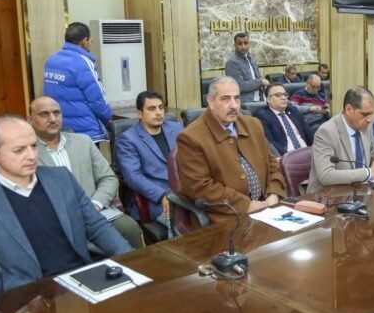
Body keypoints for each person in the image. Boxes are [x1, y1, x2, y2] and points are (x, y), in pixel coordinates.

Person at [0, 115, 131, 297]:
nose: (31, 156)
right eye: (19, 150)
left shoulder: (61, 178)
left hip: (83, 282)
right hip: (25, 296)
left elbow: (97, 226)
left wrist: (130, 259)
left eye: (33, 146)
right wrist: (26, 288)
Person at [29, 96, 143, 249]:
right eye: (44, 114)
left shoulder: (83, 142)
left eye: (56, 113)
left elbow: (108, 178)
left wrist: (95, 204)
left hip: (95, 213)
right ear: (30, 120)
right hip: (56, 220)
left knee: (129, 228)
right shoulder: (28, 153)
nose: (52, 119)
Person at [176, 76, 287, 221]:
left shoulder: (253, 124)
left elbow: (272, 165)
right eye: (226, 99)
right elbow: (200, 187)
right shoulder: (190, 137)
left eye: (237, 98)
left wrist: (274, 194)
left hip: (268, 207)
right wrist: (246, 205)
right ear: (210, 101)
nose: (234, 105)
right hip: (227, 216)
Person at [116, 91, 184, 237]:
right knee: (183, 225)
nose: (159, 112)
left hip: (186, 193)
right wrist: (162, 195)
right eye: (152, 109)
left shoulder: (177, 128)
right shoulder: (128, 140)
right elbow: (133, 177)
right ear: (140, 113)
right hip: (156, 201)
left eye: (161, 107)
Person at [307, 87, 374, 193]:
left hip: (361, 192)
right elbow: (326, 175)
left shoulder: (366, 128)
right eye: (365, 114)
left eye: (371, 114)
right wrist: (369, 173)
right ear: (349, 110)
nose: (369, 120)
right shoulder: (326, 132)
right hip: (329, 196)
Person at [42, 22, 112, 142]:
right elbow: (97, 99)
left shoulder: (51, 61)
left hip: (58, 127)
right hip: (84, 131)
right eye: (90, 40)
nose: (90, 43)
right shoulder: (83, 63)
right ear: (84, 41)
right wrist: (107, 119)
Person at [256, 84, 312, 157]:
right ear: (268, 99)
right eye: (278, 95)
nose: (283, 98)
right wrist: (288, 157)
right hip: (287, 156)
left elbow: (308, 132)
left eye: (285, 94)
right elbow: (270, 143)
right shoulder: (263, 116)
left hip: (307, 152)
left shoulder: (293, 110)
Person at [225, 32, 268, 102]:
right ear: (235, 45)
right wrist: (260, 82)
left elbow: (258, 77)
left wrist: (263, 83)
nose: (243, 46)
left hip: (260, 99)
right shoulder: (232, 62)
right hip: (246, 103)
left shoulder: (251, 58)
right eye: (240, 44)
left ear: (249, 44)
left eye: (245, 43)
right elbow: (239, 86)